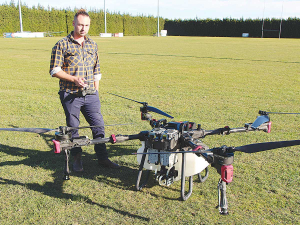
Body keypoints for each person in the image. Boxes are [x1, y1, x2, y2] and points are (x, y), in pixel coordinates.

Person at [49, 9, 120, 171]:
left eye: (86, 25)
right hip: (70, 94)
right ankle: (77, 158)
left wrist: (96, 91)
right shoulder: (62, 44)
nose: (83, 28)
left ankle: (103, 158)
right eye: (80, 24)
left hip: (91, 95)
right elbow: (54, 70)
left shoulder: (93, 44)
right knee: (73, 127)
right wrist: (74, 79)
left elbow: (97, 71)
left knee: (98, 126)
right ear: (73, 23)